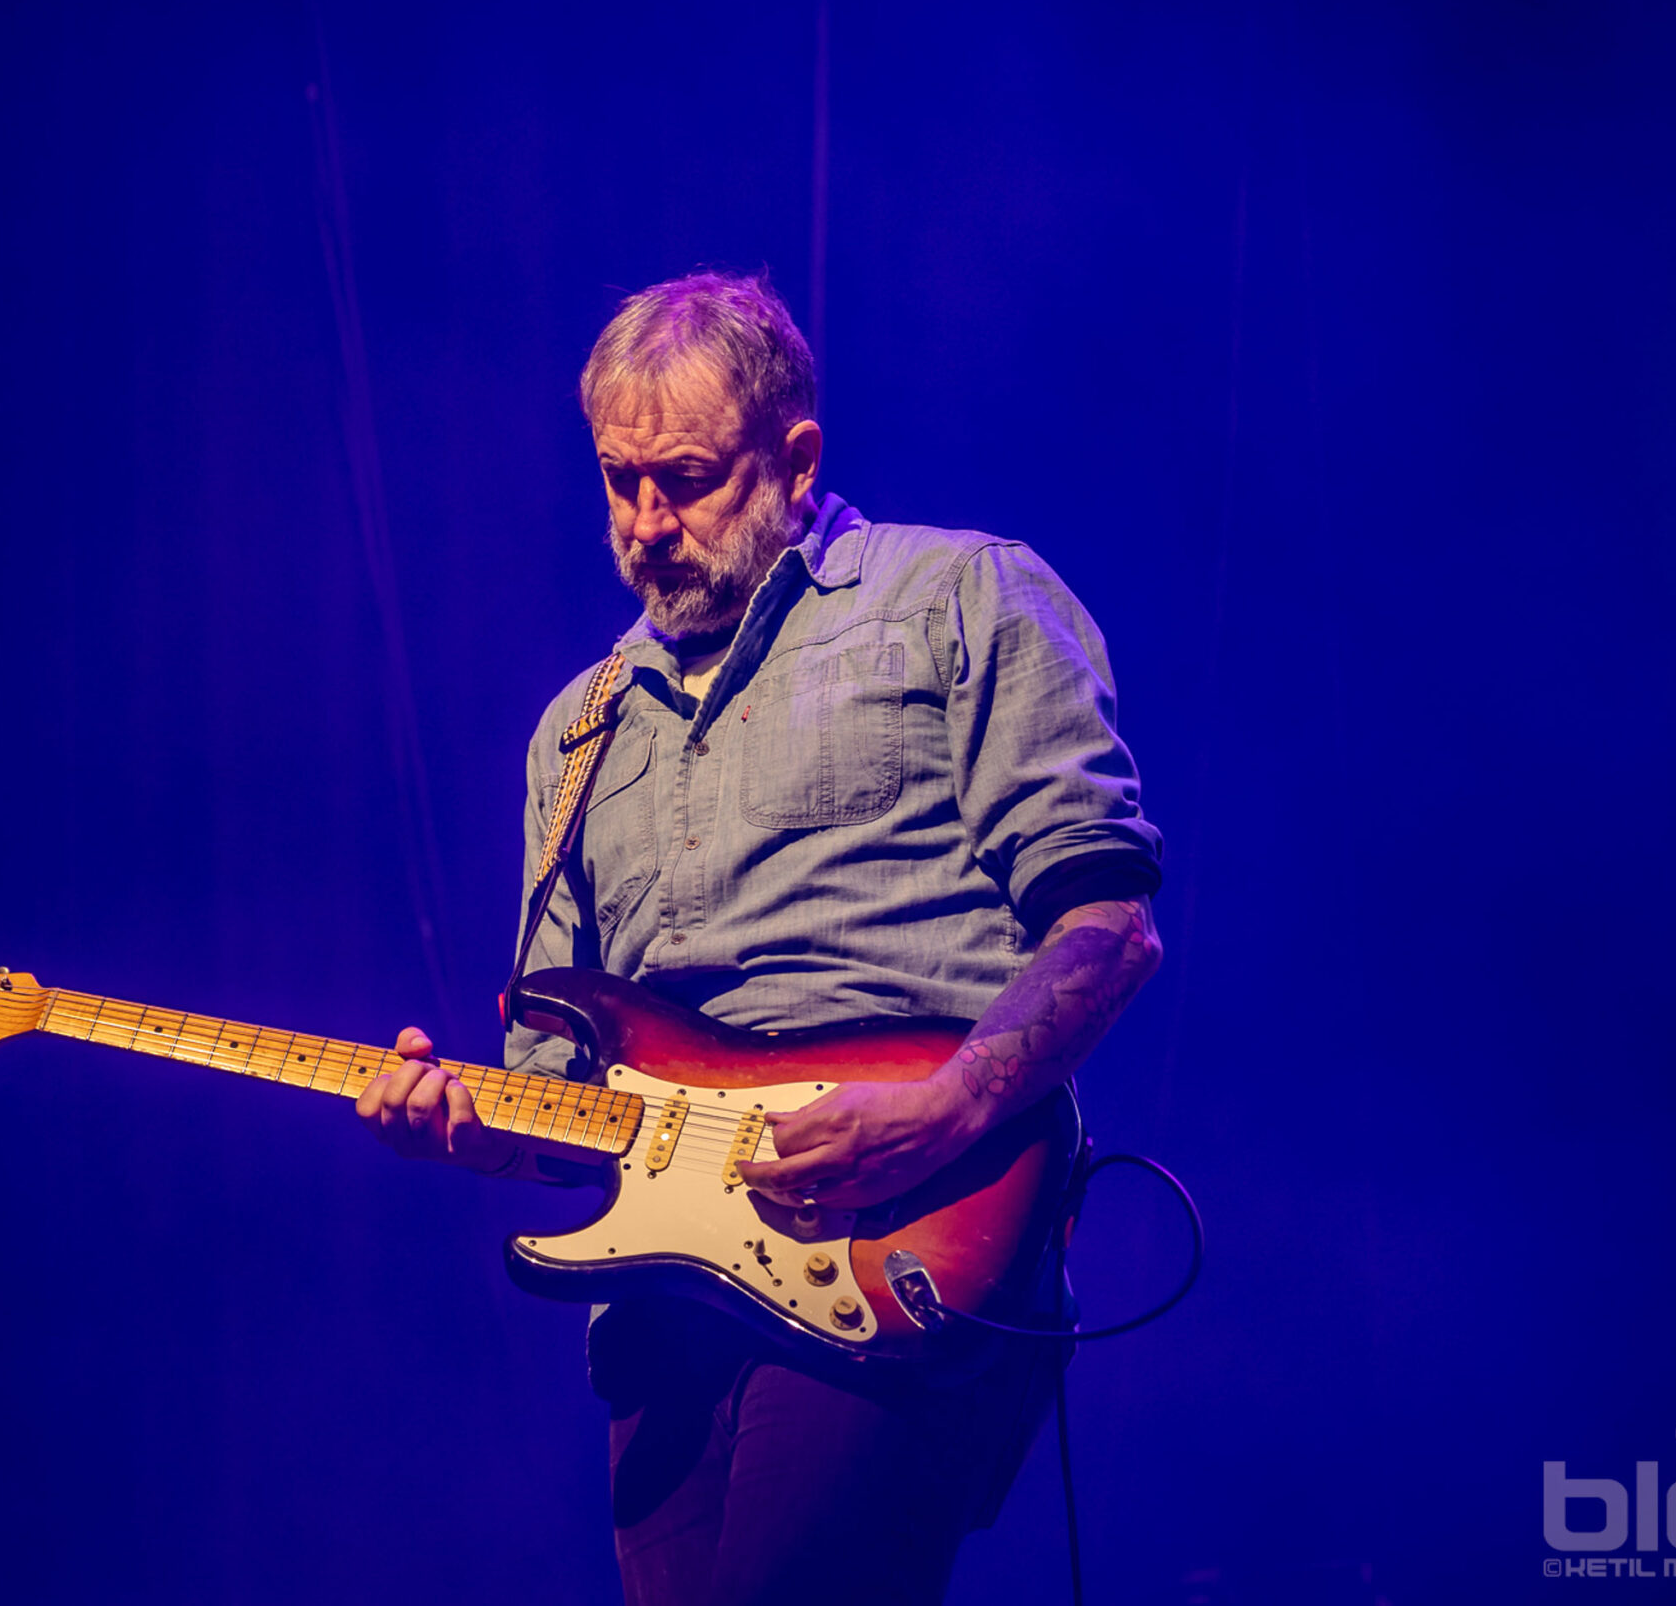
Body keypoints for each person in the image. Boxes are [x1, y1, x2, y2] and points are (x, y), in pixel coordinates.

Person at [353, 272, 1164, 1605]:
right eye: (619, 483)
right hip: (665, 1311)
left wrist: (945, 1108)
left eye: (685, 479)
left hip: (903, 1238)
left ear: (796, 460)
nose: (647, 525)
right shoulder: (578, 730)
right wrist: (467, 1125)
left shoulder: (963, 597)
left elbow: (1109, 927)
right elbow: (555, 1092)